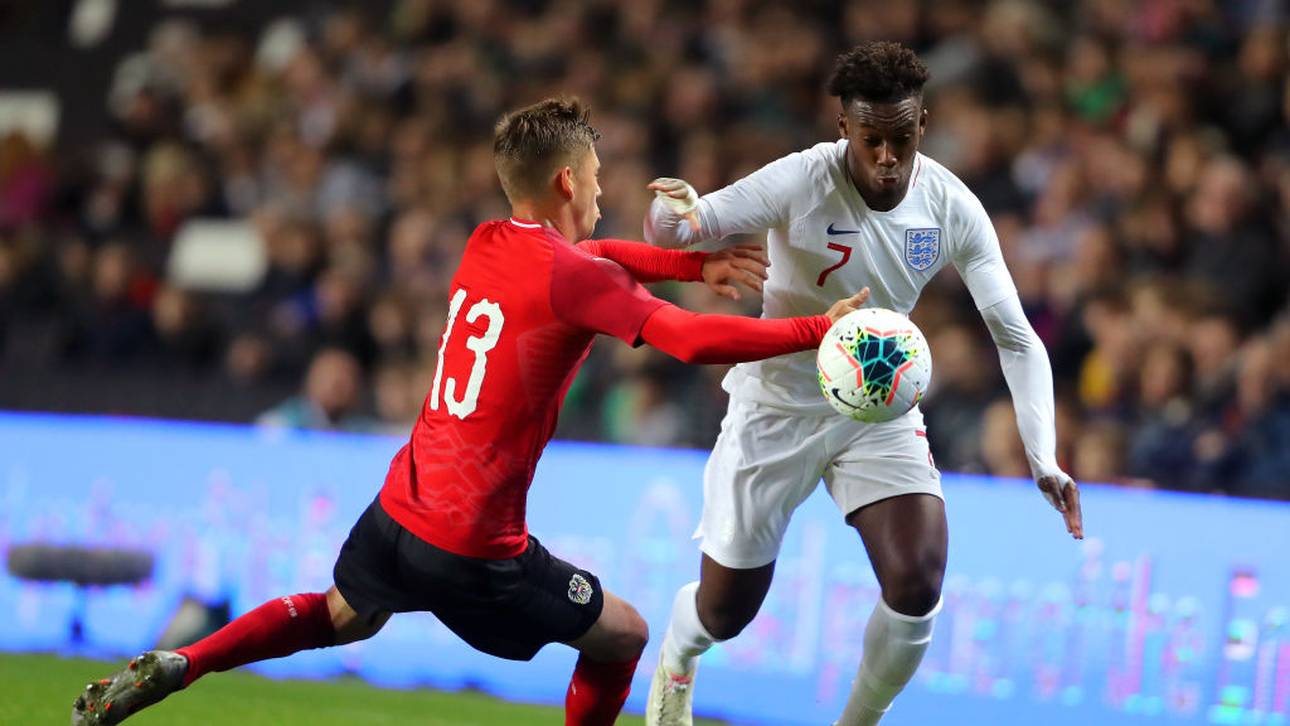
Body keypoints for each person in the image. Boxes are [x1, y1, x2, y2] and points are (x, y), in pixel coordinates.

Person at [71, 97, 870, 726]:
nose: (600, 192)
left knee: (340, 616)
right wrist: (816, 328)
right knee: (622, 636)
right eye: (593, 177)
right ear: (567, 181)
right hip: (475, 548)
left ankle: (187, 663)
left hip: (399, 508)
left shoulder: (487, 241)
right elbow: (690, 344)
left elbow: (597, 256)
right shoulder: (574, 278)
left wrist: (687, 263)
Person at [642, 41, 1083, 726]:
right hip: (777, 402)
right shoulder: (799, 179)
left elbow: (1017, 336)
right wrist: (672, 207)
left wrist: (1043, 455)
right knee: (723, 613)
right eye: (871, 139)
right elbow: (682, 232)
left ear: (923, 125)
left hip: (876, 404)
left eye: (900, 139)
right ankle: (679, 652)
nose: (886, 158)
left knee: (917, 583)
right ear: (843, 128)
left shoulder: (951, 206)